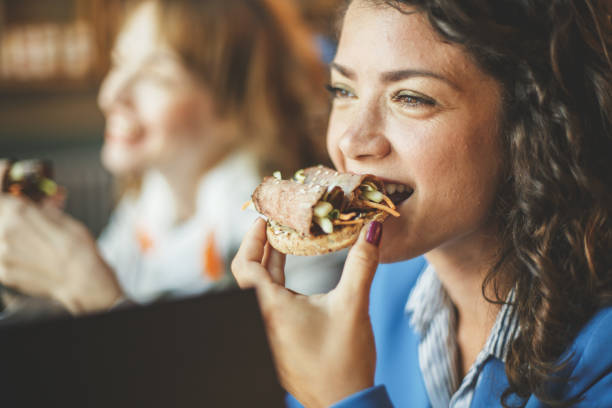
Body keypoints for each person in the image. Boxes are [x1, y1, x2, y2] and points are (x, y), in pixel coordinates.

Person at [231, 0, 612, 407]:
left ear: (533, 121)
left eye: (411, 98)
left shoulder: (600, 360)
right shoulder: (373, 296)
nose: (351, 142)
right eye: (343, 90)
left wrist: (340, 398)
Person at [0, 0, 343, 315]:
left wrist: (90, 291)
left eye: (156, 76)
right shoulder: (148, 204)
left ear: (237, 107)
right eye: (119, 62)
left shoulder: (299, 248)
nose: (109, 96)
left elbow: (230, 380)